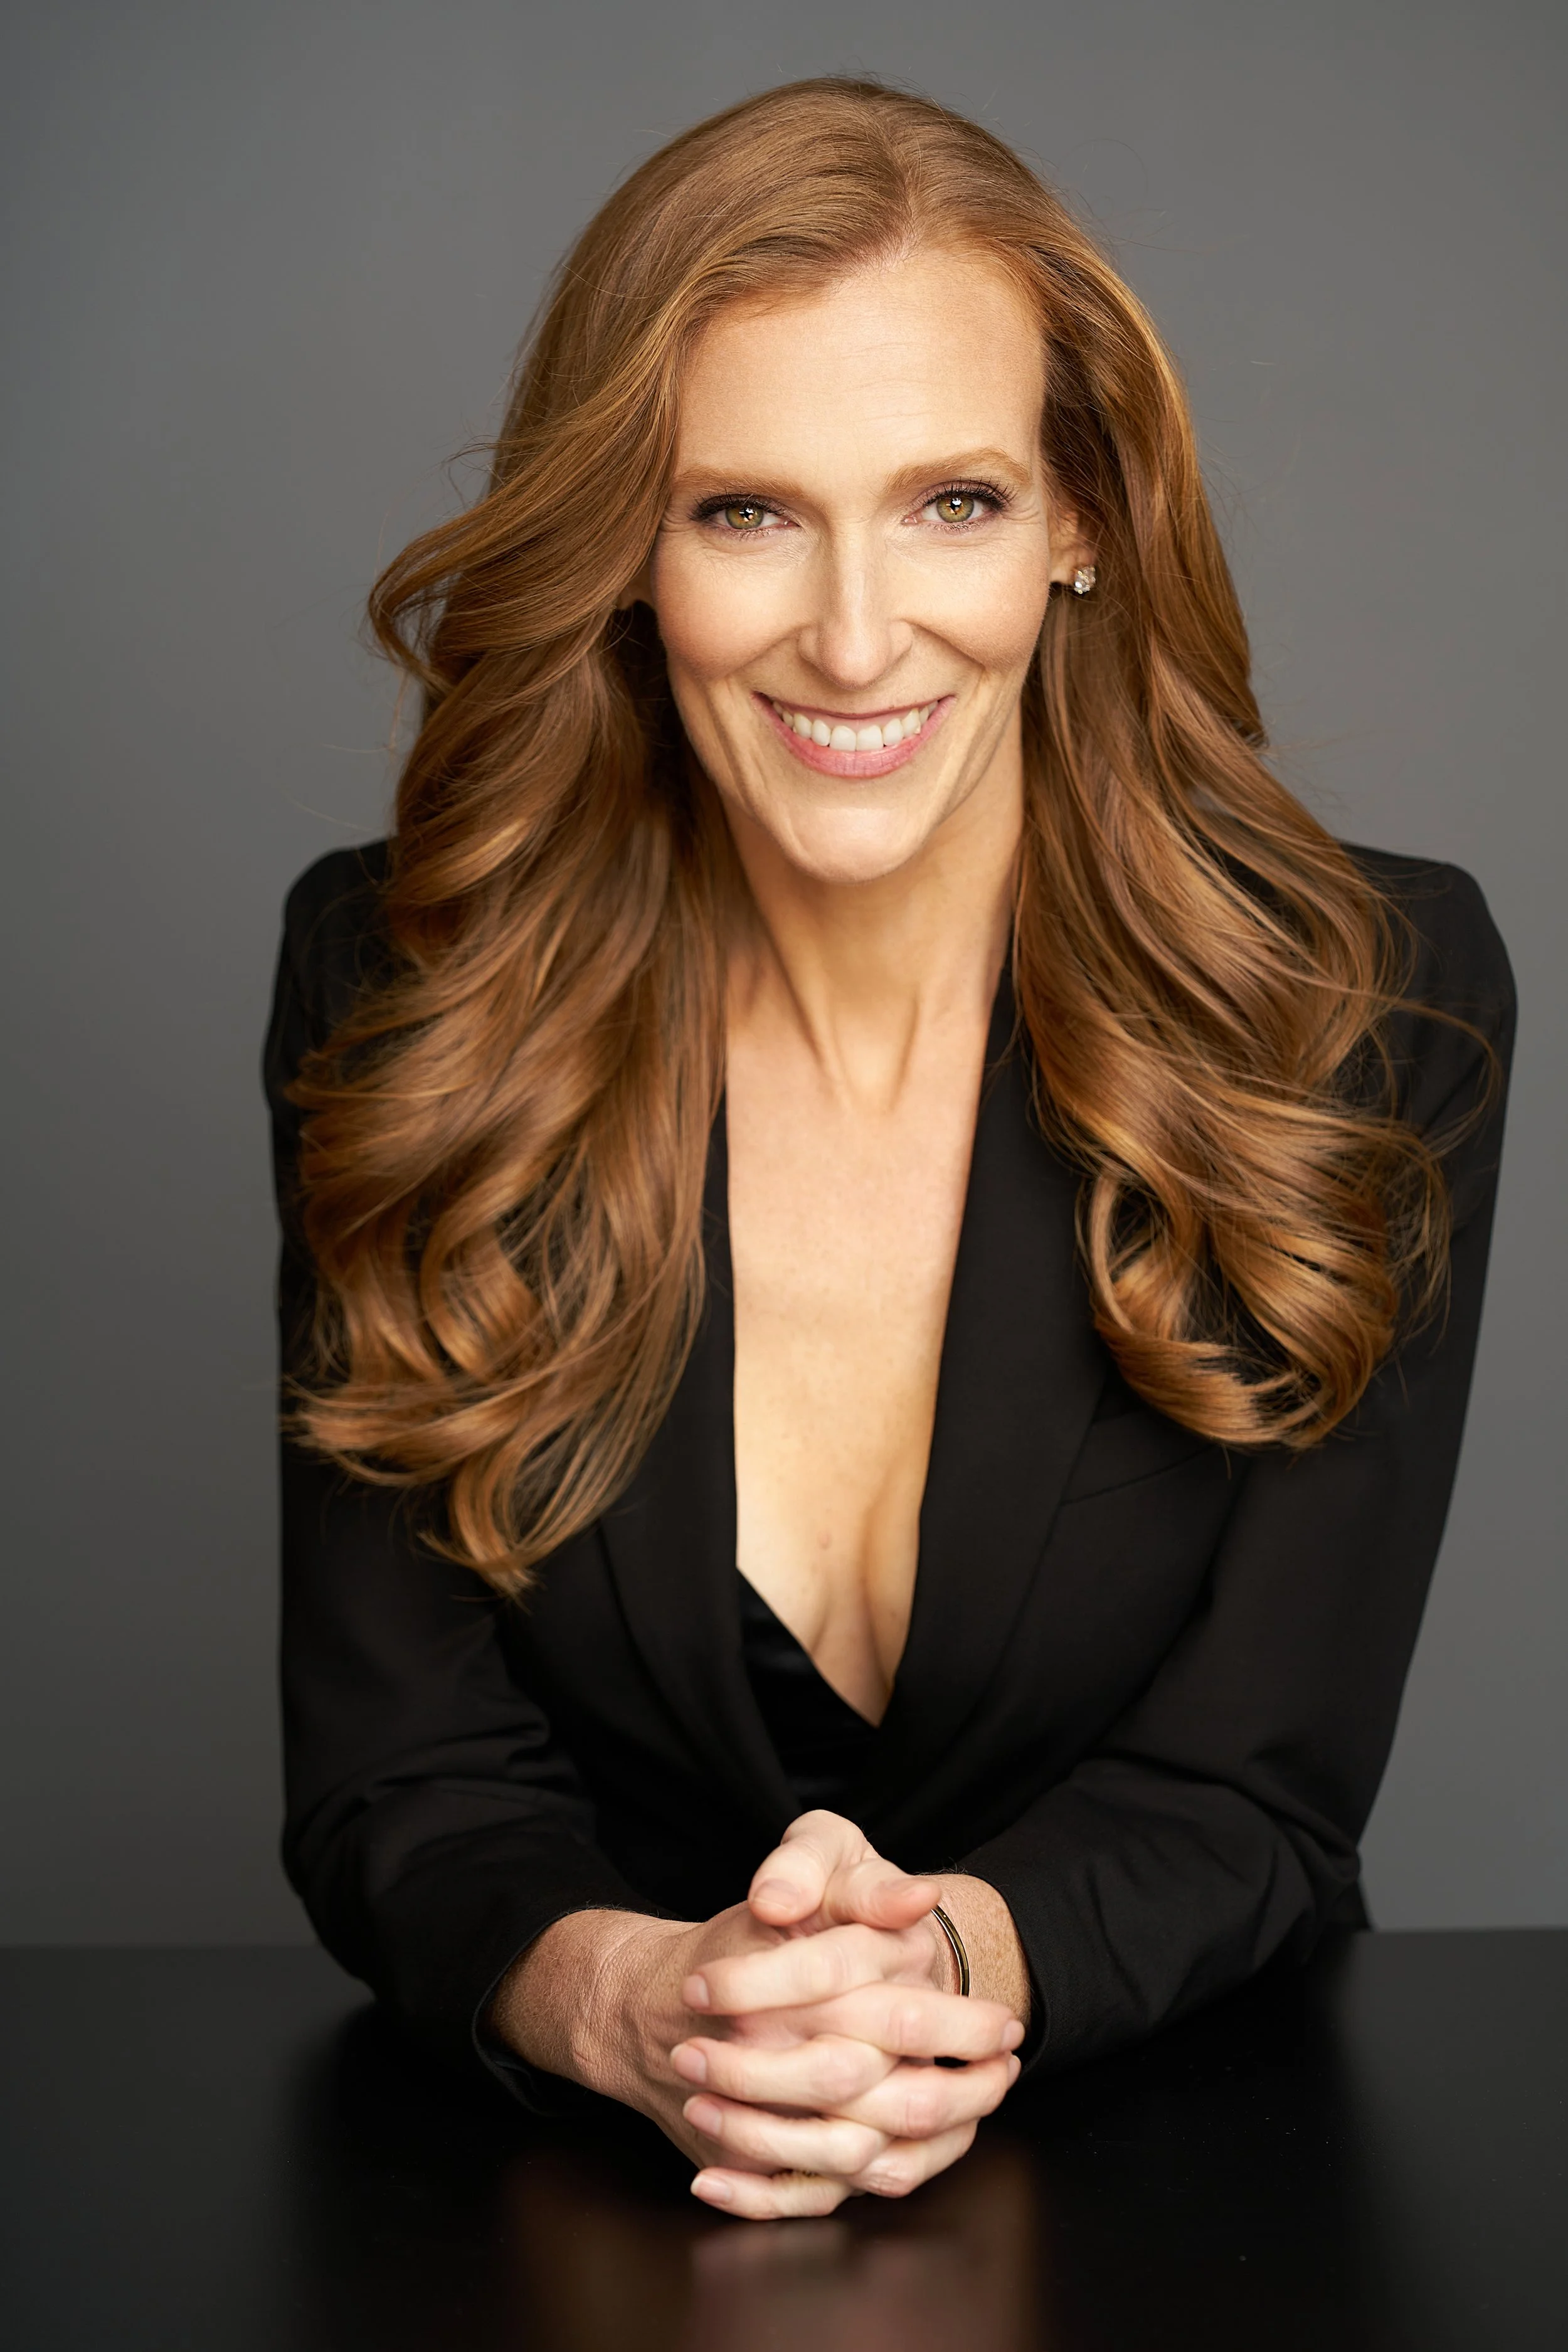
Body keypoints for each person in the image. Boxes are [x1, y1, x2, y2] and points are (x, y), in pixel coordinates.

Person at [265, 79, 1513, 2221]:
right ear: (624, 553)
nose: (854, 637)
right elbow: (405, 1775)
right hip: (578, 2201)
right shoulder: (402, 977)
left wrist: (942, 1966)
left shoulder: (1365, 1001)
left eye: (947, 500)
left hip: (1190, 2179)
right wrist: (641, 2000)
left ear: (1079, 515)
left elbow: (1258, 1788)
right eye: (741, 512)